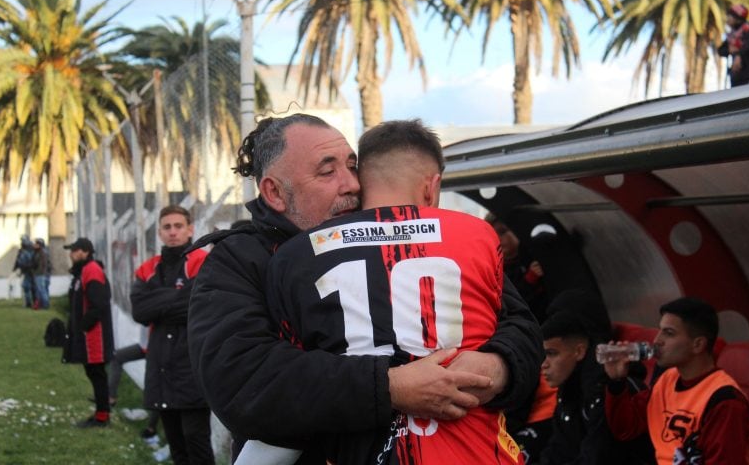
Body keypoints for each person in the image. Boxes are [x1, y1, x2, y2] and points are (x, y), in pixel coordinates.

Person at [188, 113, 543, 462]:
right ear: (276, 193)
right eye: (327, 172)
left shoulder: (420, 237)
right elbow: (244, 381)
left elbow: (520, 327)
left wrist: (499, 367)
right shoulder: (240, 262)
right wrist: (390, 388)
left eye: (352, 166)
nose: (352, 184)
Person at [604, 297, 749, 464]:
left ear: (698, 344)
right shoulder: (667, 380)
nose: (657, 341)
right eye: (659, 330)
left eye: (669, 333)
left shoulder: (724, 401)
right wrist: (617, 382)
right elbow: (626, 429)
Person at [130, 205, 213, 465]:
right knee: (177, 446)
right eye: (167, 227)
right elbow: (140, 310)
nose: (173, 232)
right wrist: (178, 298)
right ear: (159, 232)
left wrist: (159, 301)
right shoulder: (147, 268)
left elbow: (199, 305)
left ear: (190, 230)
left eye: (178, 226)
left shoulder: (203, 261)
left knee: (196, 443)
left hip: (191, 366)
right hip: (161, 366)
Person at [538, 309, 649, 465]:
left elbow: (599, 456)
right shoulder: (569, 387)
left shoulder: (611, 387)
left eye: (552, 354)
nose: (544, 365)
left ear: (579, 351)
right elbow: (560, 448)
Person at [61, 237, 115, 428]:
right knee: (94, 373)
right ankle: (101, 412)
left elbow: (98, 304)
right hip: (88, 335)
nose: (71, 254)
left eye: (74, 250)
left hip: (94, 336)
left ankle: (102, 417)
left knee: (97, 374)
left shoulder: (92, 270)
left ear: (84, 251)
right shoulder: (83, 271)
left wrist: (82, 327)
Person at [484, 216, 550, 323]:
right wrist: (529, 280)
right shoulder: (491, 268)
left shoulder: (535, 255)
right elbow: (507, 303)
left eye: (503, 232)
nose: (498, 238)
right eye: (493, 234)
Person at [718, 3, 749, 87]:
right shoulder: (733, 34)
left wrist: (739, 54)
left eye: (730, 16)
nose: (727, 19)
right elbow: (721, 50)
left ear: (737, 18)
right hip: (737, 79)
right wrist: (729, 49)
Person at [13, 235, 37, 308]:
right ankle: (28, 303)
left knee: (33, 287)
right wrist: (15, 267)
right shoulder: (22, 249)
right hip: (25, 271)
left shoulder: (32, 249)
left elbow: (35, 260)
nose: (22, 242)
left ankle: (35, 302)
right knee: (26, 287)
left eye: (23, 240)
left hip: (32, 271)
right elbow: (18, 259)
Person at [32, 238, 50, 309]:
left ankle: (45, 305)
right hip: (38, 274)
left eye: (36, 244)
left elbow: (44, 264)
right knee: (39, 290)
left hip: (41, 274)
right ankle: (40, 304)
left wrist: (41, 273)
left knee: (42, 290)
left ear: (40, 245)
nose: (34, 245)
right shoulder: (37, 252)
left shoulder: (43, 252)